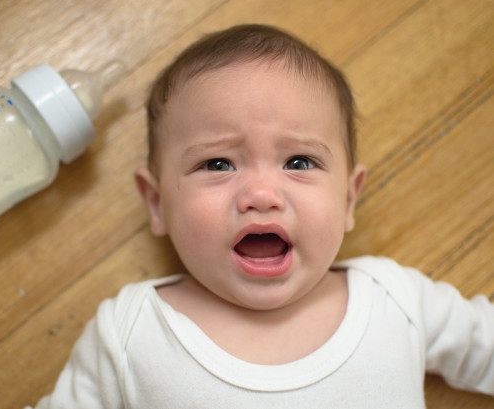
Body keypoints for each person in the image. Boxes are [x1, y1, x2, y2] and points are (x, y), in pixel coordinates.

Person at [27, 24, 494, 408]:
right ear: (157, 203)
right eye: (217, 164)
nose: (261, 194)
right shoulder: (131, 332)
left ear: (349, 200)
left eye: (299, 162)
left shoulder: (395, 300)